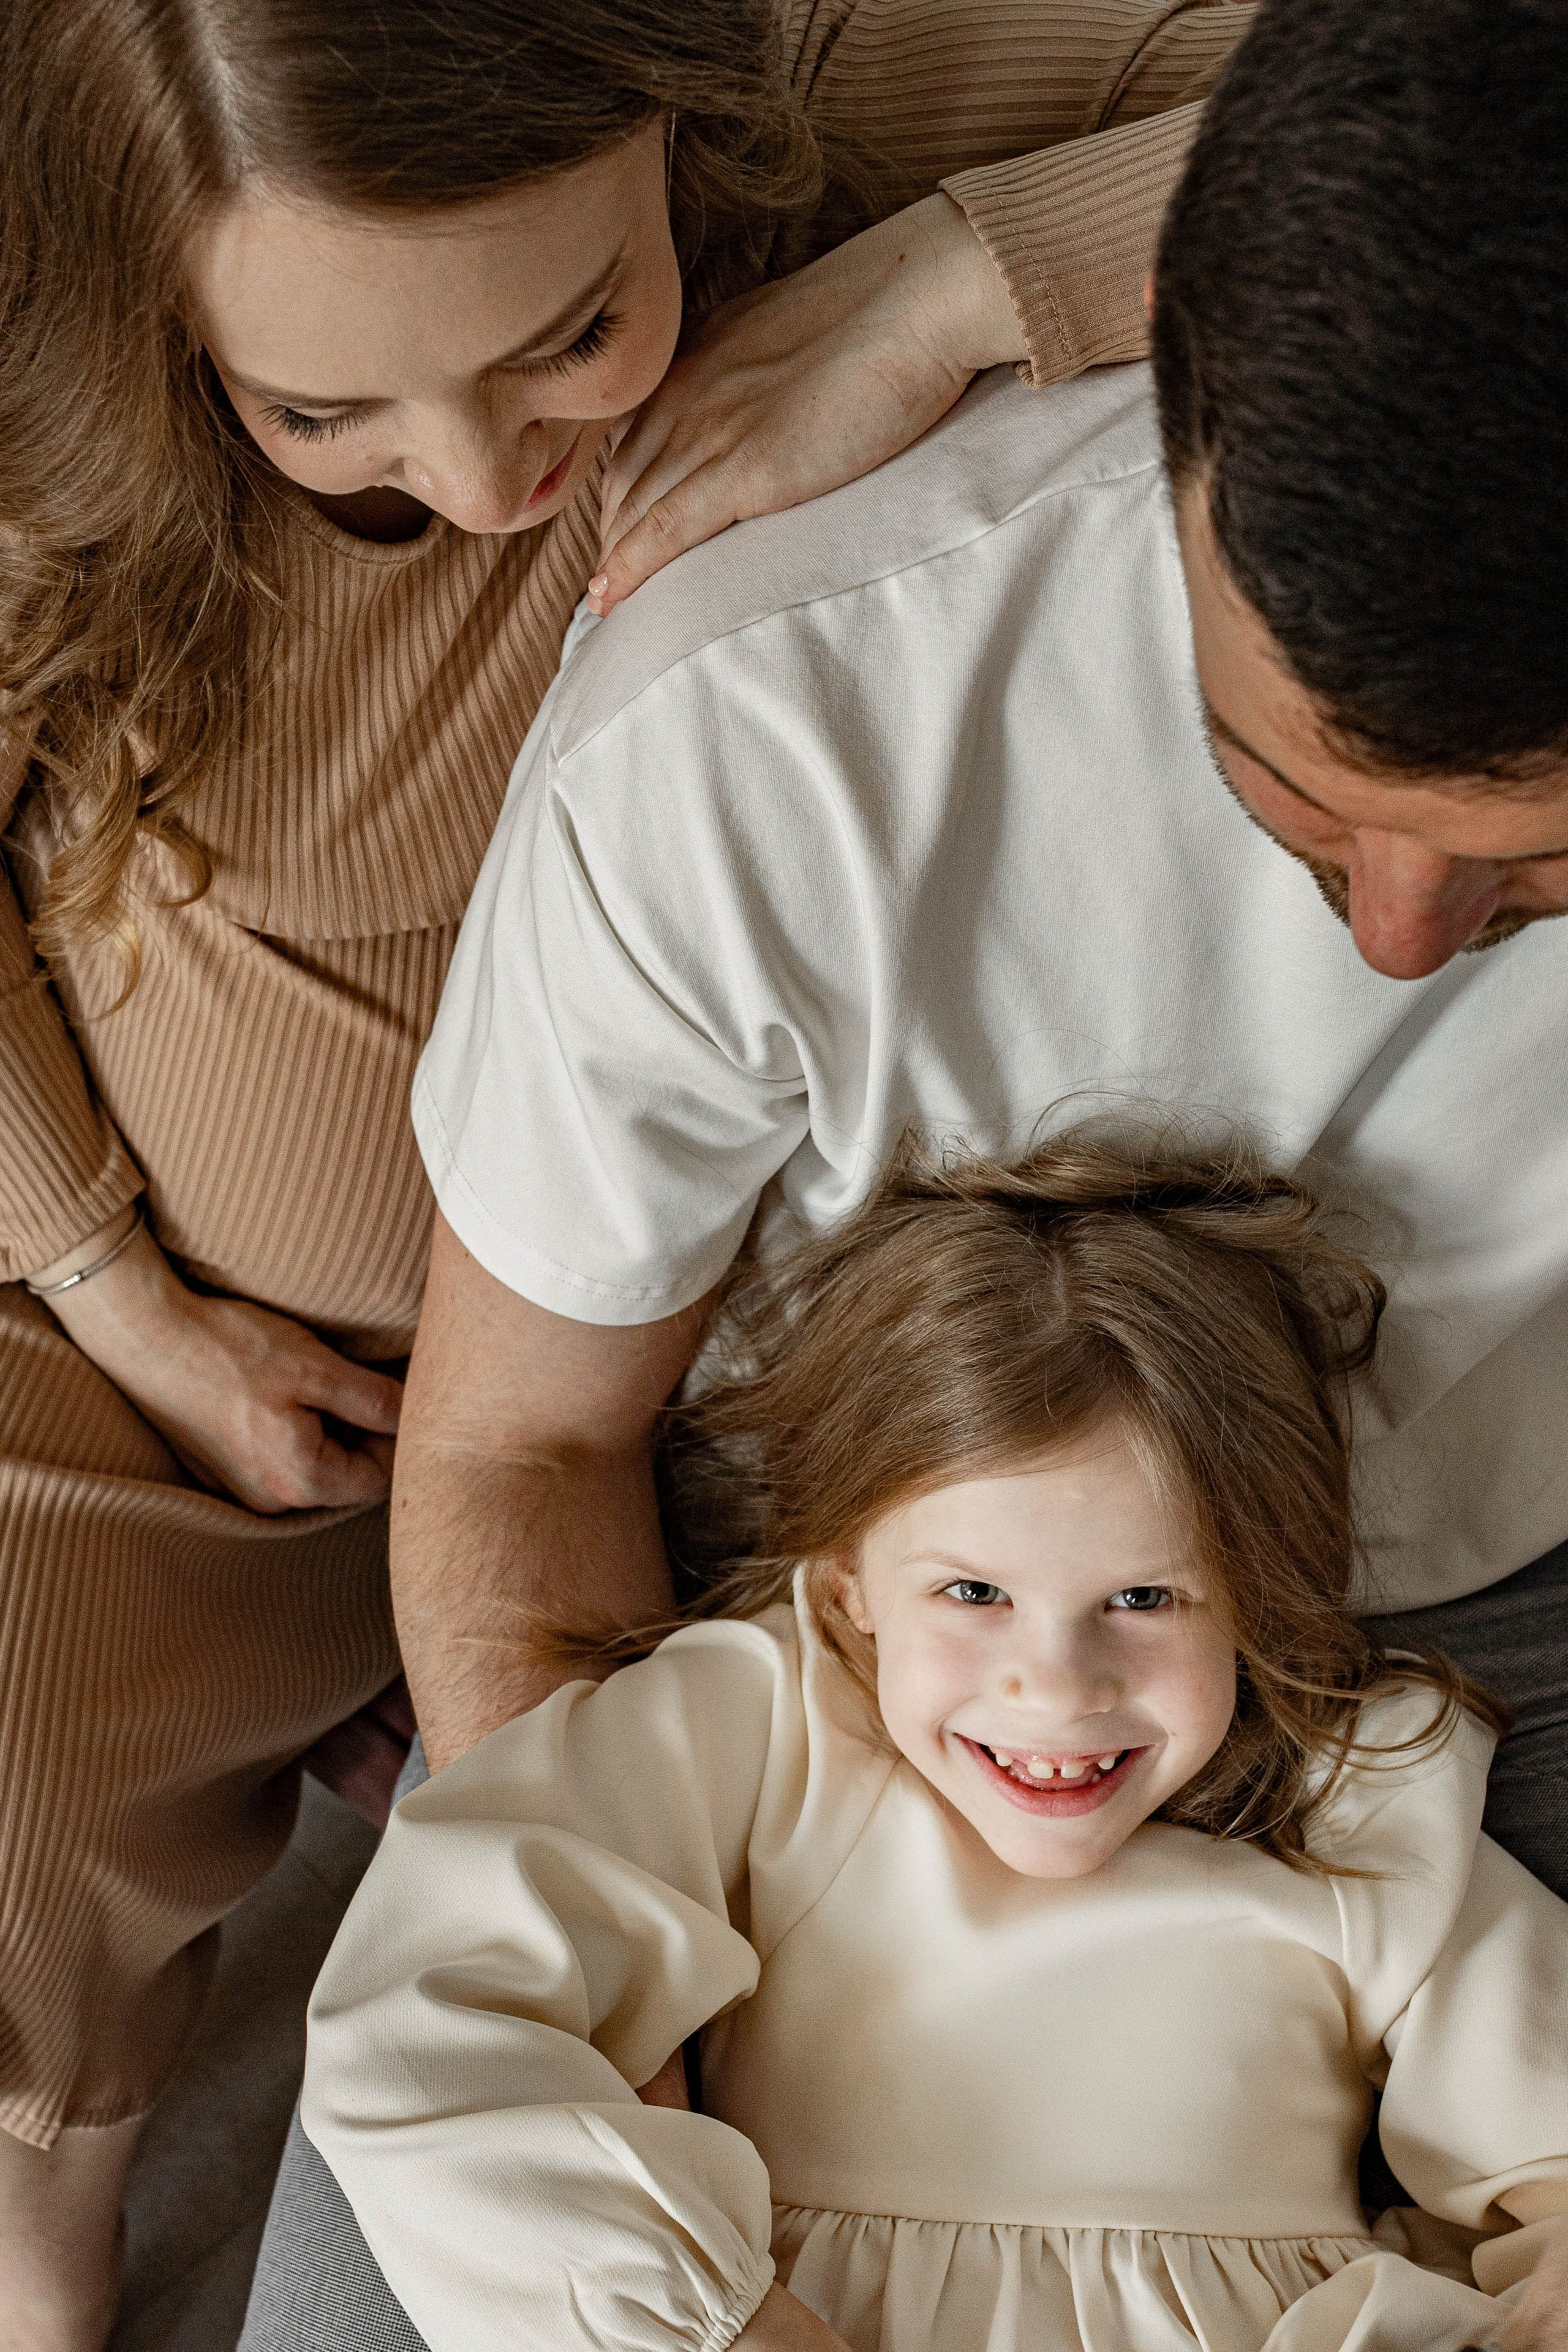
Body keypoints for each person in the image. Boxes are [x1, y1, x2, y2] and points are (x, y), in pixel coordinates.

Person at [0, 0, 1246, 2336]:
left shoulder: (837, 76)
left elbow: (1457, 119)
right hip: (169, 1330)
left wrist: (939, 287)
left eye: (570, 333)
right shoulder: (68, 424)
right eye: (323, 410)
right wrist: (116, 1295)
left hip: (662, 1355)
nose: (478, 477)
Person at [393, 0, 1568, 1886]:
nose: (1403, 942)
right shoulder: (754, 725)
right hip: (839, 1601)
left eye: (1532, 870)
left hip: (1504, 1586)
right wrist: (604, 1998)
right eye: (1293, 795)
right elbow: (518, 1457)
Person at [303, 1131, 1568, 2352]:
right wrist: (706, 2328)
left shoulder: (1365, 1809)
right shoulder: (770, 1727)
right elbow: (421, 2017)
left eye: (1143, 1598)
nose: (1056, 1687)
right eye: (972, 1594)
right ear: (850, 1589)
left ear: (1251, 1592)